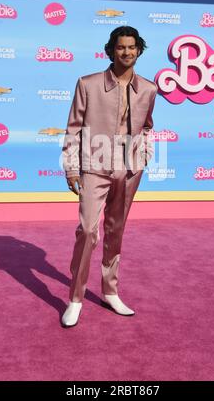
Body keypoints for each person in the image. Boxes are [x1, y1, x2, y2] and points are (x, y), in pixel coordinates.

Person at [61, 26, 157, 327]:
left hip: (129, 169)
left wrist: (144, 154)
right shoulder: (87, 84)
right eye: (120, 47)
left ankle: (110, 291)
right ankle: (76, 298)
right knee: (88, 231)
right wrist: (71, 167)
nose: (126, 52)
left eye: (131, 47)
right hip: (94, 164)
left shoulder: (150, 89)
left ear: (138, 50)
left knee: (116, 232)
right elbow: (74, 128)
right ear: (110, 50)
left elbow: (147, 125)